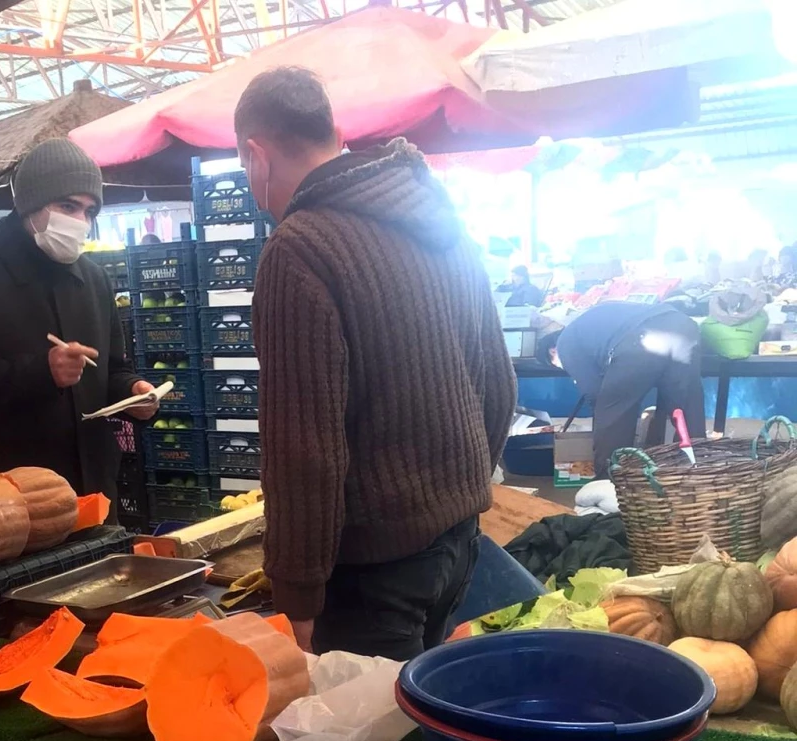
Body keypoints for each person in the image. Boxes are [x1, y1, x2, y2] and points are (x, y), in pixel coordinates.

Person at [234, 67, 516, 660]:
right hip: (458, 544)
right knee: (422, 731)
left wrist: (298, 597)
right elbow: (497, 383)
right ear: (333, 133)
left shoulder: (298, 248)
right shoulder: (440, 221)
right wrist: (458, 494)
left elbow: (303, 449)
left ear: (256, 155)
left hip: (374, 576)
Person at [0, 138, 158, 513]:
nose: (79, 221)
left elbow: (111, 370)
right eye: (68, 206)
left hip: (92, 491)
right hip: (8, 499)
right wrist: (41, 371)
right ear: (30, 204)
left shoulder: (94, 280)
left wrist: (135, 391)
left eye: (88, 211)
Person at [537, 301, 706, 480]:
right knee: (686, 405)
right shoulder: (587, 328)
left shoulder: (565, 343)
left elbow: (594, 393)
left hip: (643, 339)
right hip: (683, 326)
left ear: (553, 351)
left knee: (612, 415)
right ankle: (699, 471)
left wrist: (604, 419)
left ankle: (609, 483)